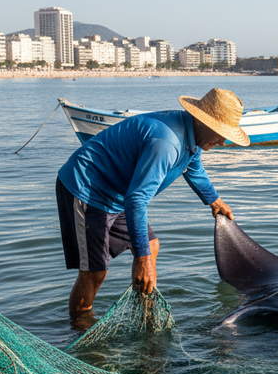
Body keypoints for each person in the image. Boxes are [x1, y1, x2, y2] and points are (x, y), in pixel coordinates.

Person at [56, 88, 249, 318]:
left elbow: (193, 167)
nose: (223, 142)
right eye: (220, 133)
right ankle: (79, 325)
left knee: (151, 245)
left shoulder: (192, 136)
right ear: (201, 120)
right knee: (95, 272)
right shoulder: (166, 142)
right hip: (87, 188)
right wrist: (142, 259)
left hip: (119, 193)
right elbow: (137, 199)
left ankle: (144, 313)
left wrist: (214, 201)